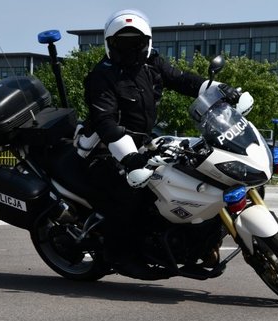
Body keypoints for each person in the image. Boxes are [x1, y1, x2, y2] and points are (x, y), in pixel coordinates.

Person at [82, 9, 241, 279]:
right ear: (110, 44)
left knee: (195, 169)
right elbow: (105, 121)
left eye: (137, 43)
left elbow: (181, 80)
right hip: (108, 148)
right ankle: (120, 255)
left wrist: (217, 88)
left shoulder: (151, 63)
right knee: (130, 196)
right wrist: (129, 157)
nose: (131, 49)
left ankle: (199, 236)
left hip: (144, 140)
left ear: (147, 42)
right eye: (123, 43)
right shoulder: (101, 76)